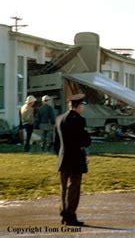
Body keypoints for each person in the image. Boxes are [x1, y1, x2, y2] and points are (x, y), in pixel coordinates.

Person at [54, 93, 91, 226]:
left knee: (63, 188)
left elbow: (56, 143)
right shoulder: (80, 120)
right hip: (75, 158)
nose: (83, 108)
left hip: (63, 158)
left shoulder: (59, 119)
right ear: (78, 106)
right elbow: (85, 141)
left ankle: (64, 215)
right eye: (82, 105)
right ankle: (71, 216)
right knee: (73, 188)